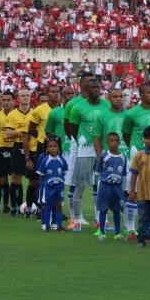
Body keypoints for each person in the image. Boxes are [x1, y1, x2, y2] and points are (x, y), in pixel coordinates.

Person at [122, 81, 150, 239]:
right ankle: (131, 228)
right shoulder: (132, 113)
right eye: (149, 92)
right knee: (133, 191)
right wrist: (135, 149)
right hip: (137, 153)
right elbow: (126, 133)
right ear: (141, 95)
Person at [68, 79, 109, 232]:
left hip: (102, 152)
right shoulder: (77, 107)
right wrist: (82, 143)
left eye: (98, 87)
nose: (97, 89)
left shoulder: (106, 105)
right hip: (84, 152)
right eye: (93, 87)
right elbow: (73, 129)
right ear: (85, 89)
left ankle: (100, 220)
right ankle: (77, 220)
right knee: (80, 186)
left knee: (100, 187)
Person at [92, 87, 129, 235]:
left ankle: (127, 227)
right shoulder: (102, 116)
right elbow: (96, 137)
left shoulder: (129, 115)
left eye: (121, 96)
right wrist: (101, 155)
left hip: (125, 158)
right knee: (103, 193)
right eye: (115, 96)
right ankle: (101, 225)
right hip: (108, 161)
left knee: (124, 194)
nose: (119, 99)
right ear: (109, 98)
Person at [64, 73, 95, 228]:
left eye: (93, 82)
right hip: (78, 149)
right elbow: (67, 126)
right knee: (76, 183)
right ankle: (74, 217)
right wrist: (76, 142)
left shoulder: (102, 103)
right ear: (81, 84)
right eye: (88, 82)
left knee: (97, 183)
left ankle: (99, 219)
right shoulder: (73, 104)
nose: (91, 85)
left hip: (96, 149)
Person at [25, 85, 58, 217]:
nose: (55, 94)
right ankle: (40, 209)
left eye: (57, 91)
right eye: (52, 91)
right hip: (43, 146)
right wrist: (41, 137)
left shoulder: (63, 108)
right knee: (42, 179)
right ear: (48, 94)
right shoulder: (39, 110)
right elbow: (31, 129)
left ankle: (56, 208)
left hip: (59, 147)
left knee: (57, 179)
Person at [94, 132, 126, 240]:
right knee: (103, 210)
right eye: (111, 140)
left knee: (117, 210)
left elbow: (124, 174)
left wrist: (124, 189)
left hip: (117, 188)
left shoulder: (122, 157)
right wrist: (100, 186)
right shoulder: (104, 156)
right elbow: (98, 172)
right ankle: (102, 232)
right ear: (107, 142)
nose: (114, 143)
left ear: (119, 142)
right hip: (105, 187)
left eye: (116, 140)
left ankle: (117, 233)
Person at [6, 88, 33, 216]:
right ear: (18, 98)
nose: (25, 97)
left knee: (34, 179)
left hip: (32, 147)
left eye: (27, 95)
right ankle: (15, 206)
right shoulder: (12, 115)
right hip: (17, 147)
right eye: (22, 95)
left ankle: (30, 206)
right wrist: (22, 131)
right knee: (16, 177)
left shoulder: (35, 113)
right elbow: (8, 134)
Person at [36, 136, 68, 232]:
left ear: (58, 148)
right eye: (50, 146)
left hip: (59, 187)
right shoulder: (45, 160)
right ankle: (46, 225)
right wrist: (43, 186)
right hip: (48, 187)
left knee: (58, 206)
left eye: (55, 146)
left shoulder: (62, 160)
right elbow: (42, 175)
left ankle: (58, 225)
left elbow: (64, 172)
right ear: (47, 148)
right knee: (47, 206)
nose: (52, 148)